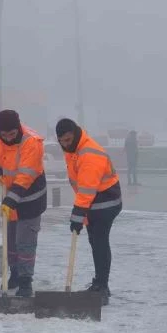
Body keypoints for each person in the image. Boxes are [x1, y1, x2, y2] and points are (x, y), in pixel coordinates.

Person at [56, 118, 122, 305]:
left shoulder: (89, 153)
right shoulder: (73, 150)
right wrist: (81, 214)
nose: (66, 145)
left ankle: (102, 286)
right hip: (93, 201)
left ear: (75, 134)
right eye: (62, 141)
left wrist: (77, 217)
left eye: (69, 140)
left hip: (106, 202)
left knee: (99, 241)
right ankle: (100, 283)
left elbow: (86, 189)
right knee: (95, 240)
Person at [0, 110, 47, 297]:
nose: (9, 138)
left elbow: (26, 176)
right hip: (9, 195)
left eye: (12, 134)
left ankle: (26, 282)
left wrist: (11, 199)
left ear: (18, 127)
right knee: (10, 240)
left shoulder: (31, 142)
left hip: (30, 199)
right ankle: (15, 274)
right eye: (5, 135)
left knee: (25, 242)